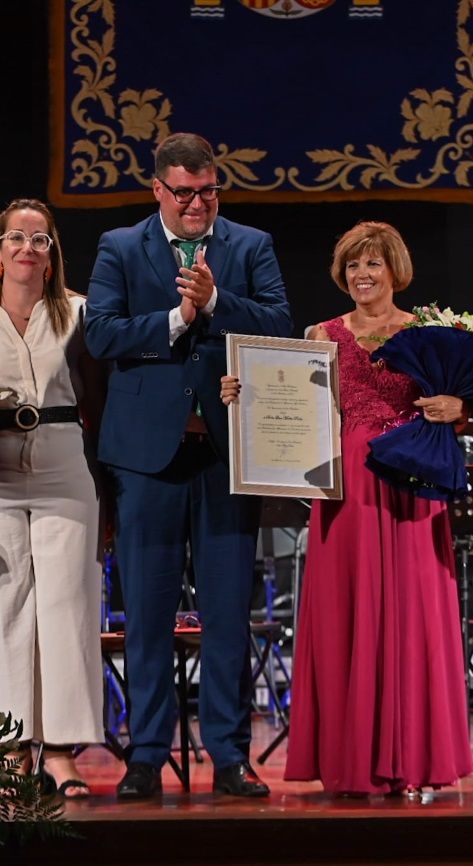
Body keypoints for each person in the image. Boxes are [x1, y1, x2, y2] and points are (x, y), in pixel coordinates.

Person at [223, 221, 473, 796]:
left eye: (374, 264)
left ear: (395, 271)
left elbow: (469, 407)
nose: (363, 275)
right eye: (354, 265)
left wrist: (455, 406)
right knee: (346, 610)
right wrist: (246, 394)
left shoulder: (431, 331)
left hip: (410, 483)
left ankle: (414, 760)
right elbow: (292, 401)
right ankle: (350, 761)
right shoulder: (321, 333)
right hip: (344, 489)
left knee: (413, 613)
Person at [84, 132, 291, 798]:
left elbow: (282, 326)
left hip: (228, 455)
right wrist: (178, 316)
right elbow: (102, 334)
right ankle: (145, 754)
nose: (197, 204)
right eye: (184, 193)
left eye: (207, 192)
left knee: (228, 614)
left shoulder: (250, 246)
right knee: (145, 612)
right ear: (159, 191)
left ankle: (229, 754)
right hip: (147, 459)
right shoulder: (121, 248)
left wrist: (220, 301)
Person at [0, 199, 105, 798]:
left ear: (52, 254)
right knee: (1, 608)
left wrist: (106, 481)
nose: (28, 248)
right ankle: (10, 749)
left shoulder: (81, 313)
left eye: (40, 239)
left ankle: (61, 751)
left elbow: (99, 395)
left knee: (68, 604)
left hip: (66, 465)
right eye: (16, 237)